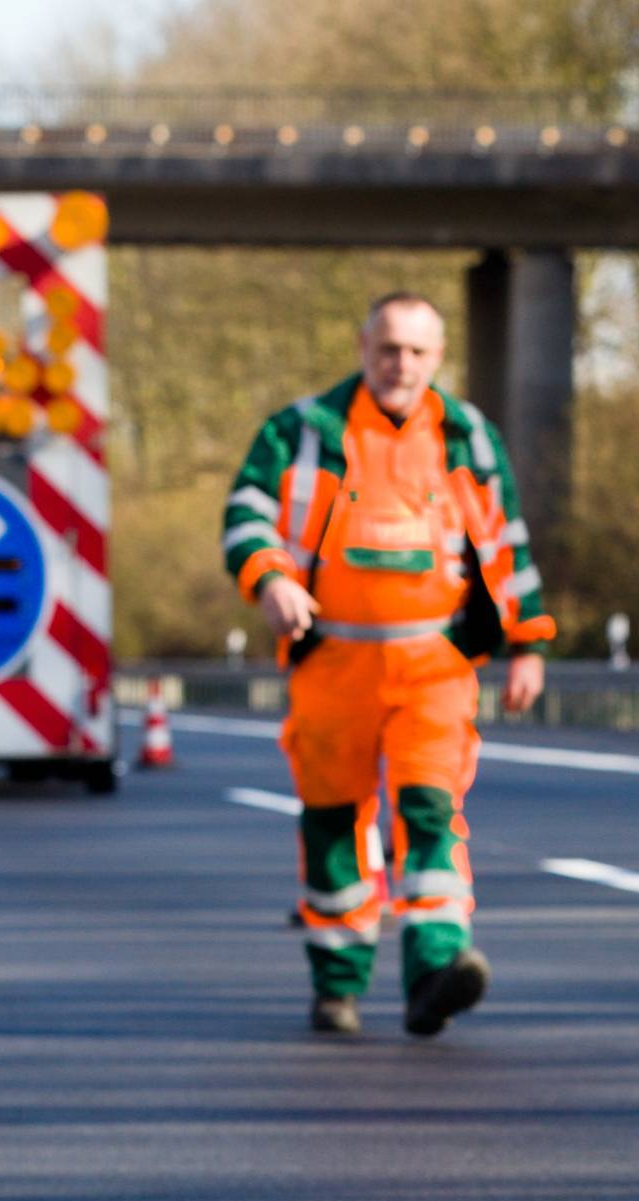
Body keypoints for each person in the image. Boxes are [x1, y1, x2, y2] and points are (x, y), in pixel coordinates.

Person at [221, 293, 555, 1037]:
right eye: (387, 349)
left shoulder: (465, 434)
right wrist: (270, 578)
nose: (400, 365)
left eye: (416, 352)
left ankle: (438, 967)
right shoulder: (304, 430)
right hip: (333, 661)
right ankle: (338, 984)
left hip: (435, 662)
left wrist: (528, 643)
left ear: (437, 357)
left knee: (431, 813)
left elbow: (509, 543)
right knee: (334, 822)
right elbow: (245, 512)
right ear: (362, 346)